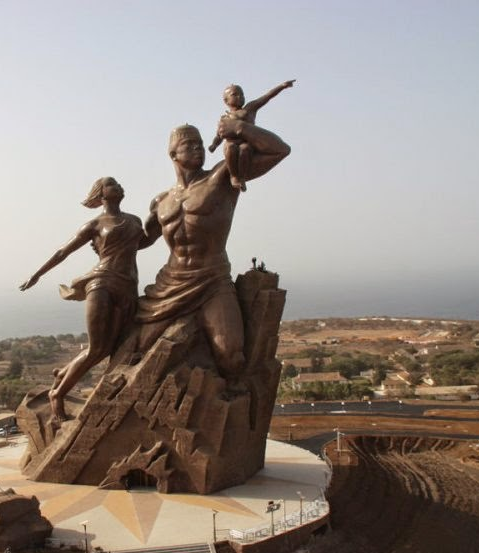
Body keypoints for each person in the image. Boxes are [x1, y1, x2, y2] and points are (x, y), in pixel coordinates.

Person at [137, 113, 291, 382]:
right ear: (173, 154)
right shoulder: (161, 201)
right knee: (138, 350)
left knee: (231, 357)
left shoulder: (222, 176)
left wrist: (240, 127)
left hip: (212, 280)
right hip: (170, 283)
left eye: (200, 143)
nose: (198, 148)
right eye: (190, 144)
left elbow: (279, 150)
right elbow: (140, 241)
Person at [20, 177, 147, 420]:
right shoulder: (95, 224)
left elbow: (144, 241)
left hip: (129, 287)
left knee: (112, 348)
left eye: (119, 183)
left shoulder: (134, 221)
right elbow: (62, 252)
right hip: (102, 283)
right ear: (101, 195)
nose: (119, 186)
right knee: (98, 348)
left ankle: (63, 373)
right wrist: (36, 275)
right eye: (112, 184)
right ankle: (57, 395)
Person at [207, 80, 295, 191]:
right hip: (231, 143)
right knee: (230, 147)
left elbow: (266, 97)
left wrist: (281, 87)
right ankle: (234, 176)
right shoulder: (225, 118)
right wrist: (214, 145)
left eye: (242, 94)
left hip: (246, 143)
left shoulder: (249, 109)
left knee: (245, 149)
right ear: (226, 100)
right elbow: (219, 135)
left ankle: (242, 177)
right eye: (235, 94)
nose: (240, 97)